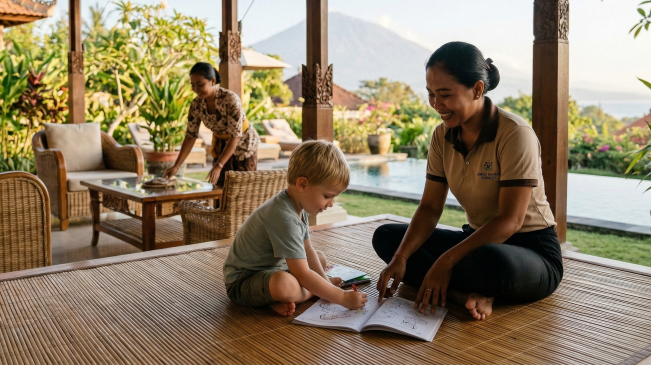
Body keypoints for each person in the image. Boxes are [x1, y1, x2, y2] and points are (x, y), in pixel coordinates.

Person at [373, 42, 563, 321]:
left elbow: (511, 220)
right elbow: (429, 208)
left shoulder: (515, 133)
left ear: (477, 89)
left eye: (445, 94)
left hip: (530, 251)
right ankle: (461, 295)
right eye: (431, 94)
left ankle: (446, 284)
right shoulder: (442, 136)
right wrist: (401, 257)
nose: (437, 105)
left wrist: (446, 261)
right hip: (475, 240)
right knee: (388, 238)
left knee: (492, 263)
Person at [223, 140, 368, 316]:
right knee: (285, 284)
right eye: (327, 196)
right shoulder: (283, 216)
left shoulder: (298, 205)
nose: (331, 204)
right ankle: (310, 292)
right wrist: (341, 297)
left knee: (319, 258)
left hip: (273, 268)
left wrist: (327, 284)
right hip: (244, 281)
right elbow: (303, 273)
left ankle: (278, 299)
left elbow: (307, 249)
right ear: (302, 185)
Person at [163, 62, 259, 186]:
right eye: (193, 85)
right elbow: (190, 136)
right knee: (219, 187)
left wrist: (219, 165)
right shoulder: (196, 105)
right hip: (221, 144)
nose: (196, 90)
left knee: (243, 188)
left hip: (244, 143)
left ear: (213, 81)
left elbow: (235, 135)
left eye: (200, 85)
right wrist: (176, 166)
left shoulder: (230, 99)